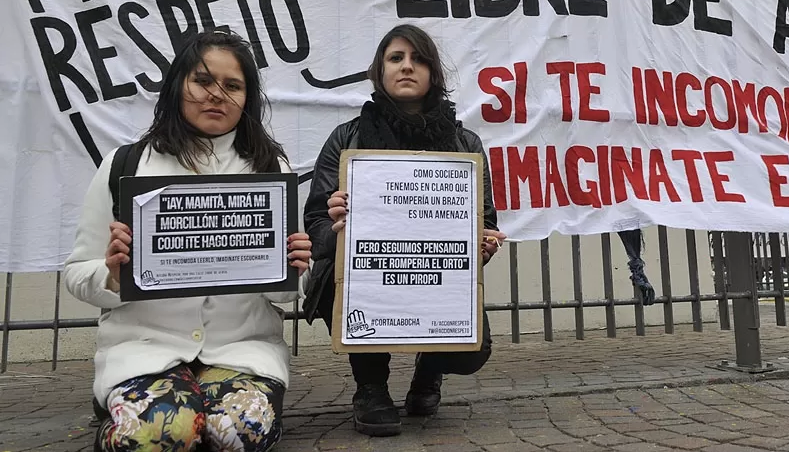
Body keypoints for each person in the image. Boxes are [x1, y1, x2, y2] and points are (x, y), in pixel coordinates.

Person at [64, 30, 311, 452]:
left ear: (247, 99)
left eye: (232, 86)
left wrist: (295, 268)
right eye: (203, 81)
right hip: (145, 351)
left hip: (241, 351)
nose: (216, 94)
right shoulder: (124, 165)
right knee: (160, 434)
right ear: (178, 85)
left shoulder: (271, 170)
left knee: (239, 432)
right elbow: (75, 273)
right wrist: (112, 274)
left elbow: (287, 292)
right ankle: (124, 406)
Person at [301, 24, 506, 437]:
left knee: (472, 352)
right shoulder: (347, 138)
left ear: (433, 73)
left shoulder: (465, 144)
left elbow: (485, 220)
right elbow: (315, 223)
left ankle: (430, 370)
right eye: (396, 59)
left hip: (434, 275)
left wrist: (483, 242)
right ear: (380, 70)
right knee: (346, 288)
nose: (407, 67)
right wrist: (336, 222)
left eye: (419, 59)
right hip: (365, 272)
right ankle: (371, 388)